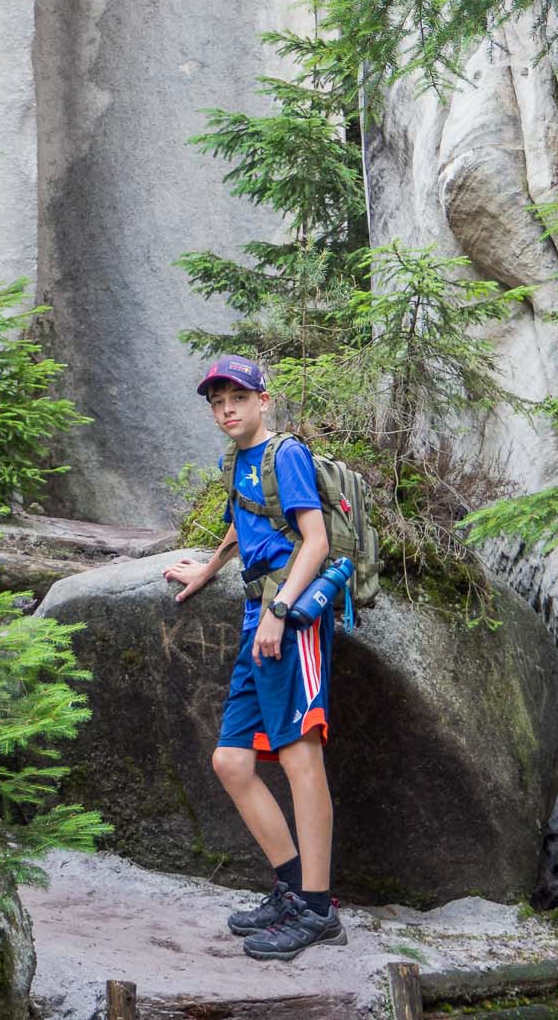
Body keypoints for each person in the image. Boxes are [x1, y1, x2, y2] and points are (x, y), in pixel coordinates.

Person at [162, 354, 345, 961]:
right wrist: (207, 569)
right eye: (217, 402)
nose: (226, 409)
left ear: (263, 400)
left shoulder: (284, 453)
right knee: (232, 762)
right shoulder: (237, 460)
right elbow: (245, 525)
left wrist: (280, 610)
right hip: (256, 618)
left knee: (300, 757)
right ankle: (292, 888)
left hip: (290, 619)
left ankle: (318, 911)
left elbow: (314, 540)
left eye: (237, 397)